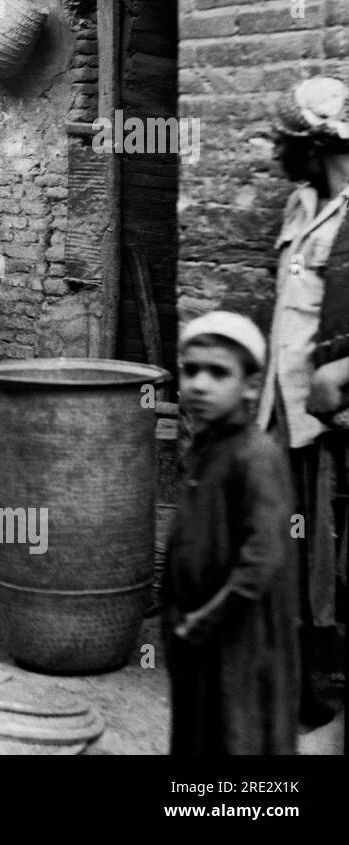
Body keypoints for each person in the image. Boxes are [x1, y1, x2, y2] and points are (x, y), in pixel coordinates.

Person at [165, 311, 299, 755]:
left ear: (249, 385)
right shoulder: (205, 449)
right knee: (200, 731)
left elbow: (262, 557)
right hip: (198, 629)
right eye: (191, 370)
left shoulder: (255, 456)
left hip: (240, 632)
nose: (200, 384)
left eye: (218, 373)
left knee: (239, 735)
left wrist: (208, 618)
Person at [258, 76, 349, 727]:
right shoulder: (299, 206)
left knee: (324, 556)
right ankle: (294, 683)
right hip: (283, 412)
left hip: (330, 420)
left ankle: (313, 685)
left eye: (286, 143)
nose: (274, 155)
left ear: (316, 146)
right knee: (288, 546)